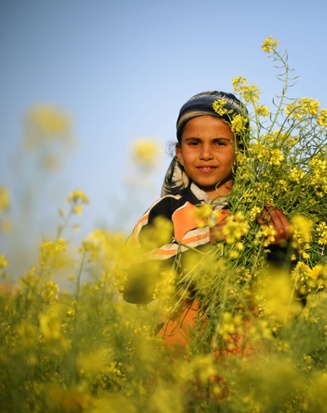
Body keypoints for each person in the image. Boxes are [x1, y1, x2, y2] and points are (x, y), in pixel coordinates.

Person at [121, 90, 292, 351]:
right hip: (173, 372)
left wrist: (281, 249)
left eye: (220, 143)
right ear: (179, 153)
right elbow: (130, 284)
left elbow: (289, 309)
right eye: (194, 143)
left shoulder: (263, 214)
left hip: (246, 378)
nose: (206, 154)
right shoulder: (166, 210)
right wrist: (206, 240)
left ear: (241, 151)